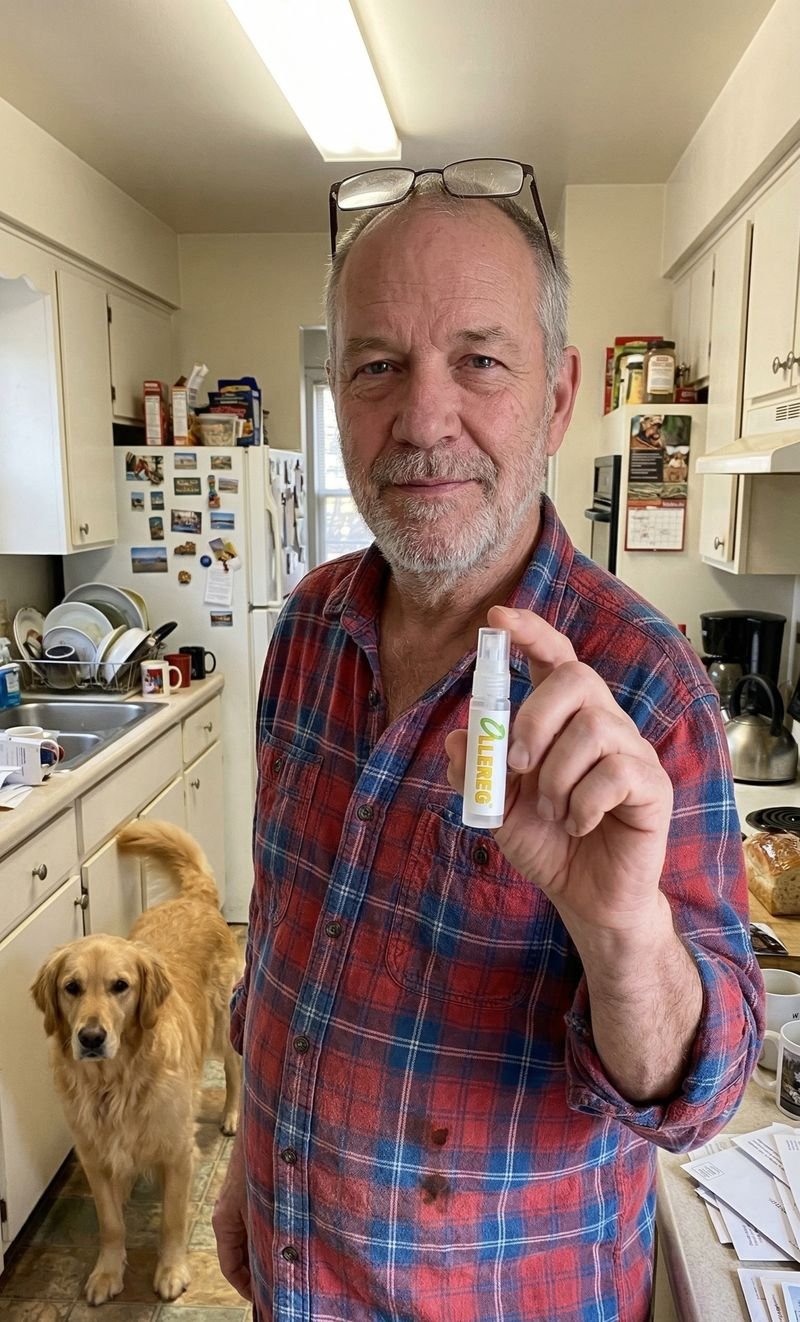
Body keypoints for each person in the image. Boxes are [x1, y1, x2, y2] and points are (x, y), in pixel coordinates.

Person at [213, 162, 763, 1321]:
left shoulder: (642, 688)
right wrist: (247, 1163)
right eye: (375, 366)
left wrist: (620, 934)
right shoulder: (308, 627)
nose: (421, 419)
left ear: (557, 397)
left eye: (477, 359)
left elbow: (699, 1096)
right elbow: (283, 944)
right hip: (292, 1274)